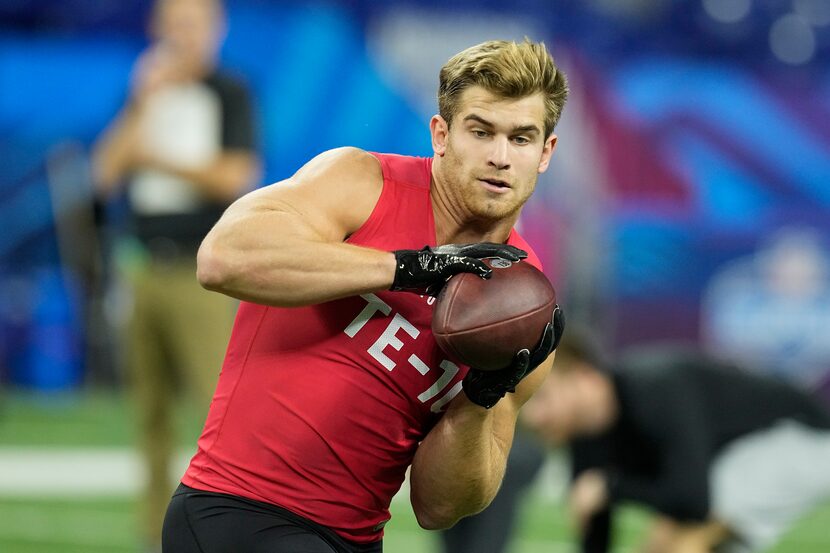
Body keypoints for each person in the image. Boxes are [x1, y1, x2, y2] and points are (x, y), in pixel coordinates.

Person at [160, 39, 568, 553]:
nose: (500, 157)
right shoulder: (362, 182)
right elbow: (222, 258)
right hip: (238, 509)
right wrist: (408, 267)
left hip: (354, 540)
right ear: (441, 135)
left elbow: (439, 506)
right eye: (481, 131)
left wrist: (481, 399)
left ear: (546, 152)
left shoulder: (522, 306)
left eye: (522, 138)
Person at [91, 0, 260, 549]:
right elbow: (105, 172)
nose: (183, 35)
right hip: (141, 266)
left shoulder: (230, 91)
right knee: (150, 416)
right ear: (156, 28)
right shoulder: (143, 91)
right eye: (173, 24)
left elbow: (236, 176)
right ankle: (152, 534)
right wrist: (143, 105)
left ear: (217, 30)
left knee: (217, 413)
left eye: (194, 24)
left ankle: (223, 530)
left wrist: (157, 157)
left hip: (202, 272)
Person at [521, 332, 830, 553]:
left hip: (798, 437)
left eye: (544, 398)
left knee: (687, 543)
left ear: (585, 377)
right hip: (733, 455)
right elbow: (596, 527)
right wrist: (604, 493)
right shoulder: (585, 434)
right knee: (659, 545)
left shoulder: (655, 391)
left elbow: (694, 502)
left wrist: (611, 487)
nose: (535, 417)